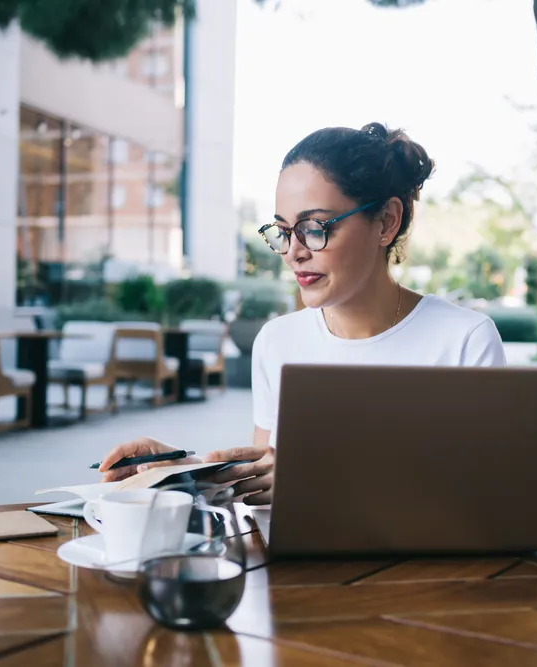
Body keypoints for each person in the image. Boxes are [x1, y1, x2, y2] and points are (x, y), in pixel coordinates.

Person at [98, 122, 506, 504]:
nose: (294, 252)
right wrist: (184, 472)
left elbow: (480, 500)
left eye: (315, 227)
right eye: (283, 230)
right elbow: (268, 480)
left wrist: (316, 478)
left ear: (386, 222)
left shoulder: (463, 341)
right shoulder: (277, 342)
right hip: (294, 574)